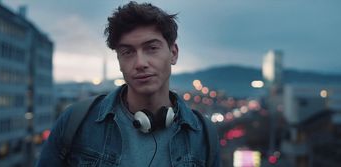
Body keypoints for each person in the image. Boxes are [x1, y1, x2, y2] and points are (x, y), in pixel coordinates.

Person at [36, 1, 220, 167]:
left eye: (151, 48)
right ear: (119, 60)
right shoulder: (76, 122)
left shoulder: (202, 136)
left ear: (173, 53)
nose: (140, 63)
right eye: (128, 52)